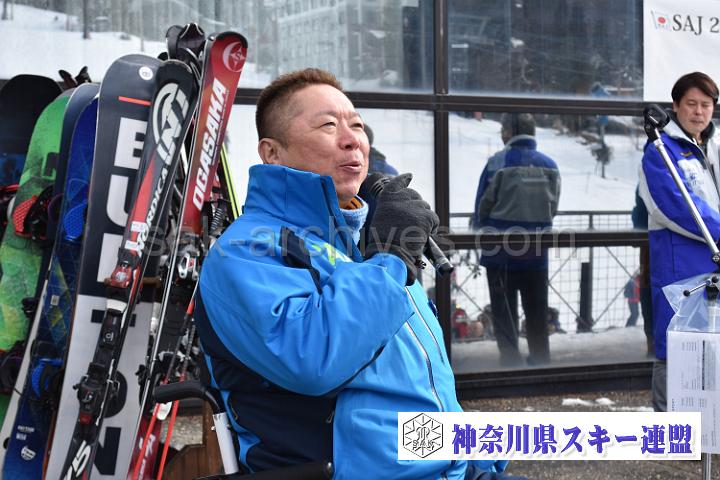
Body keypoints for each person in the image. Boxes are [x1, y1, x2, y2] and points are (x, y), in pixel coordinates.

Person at [194, 68, 514, 479]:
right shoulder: (245, 252)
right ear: (272, 152)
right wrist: (391, 255)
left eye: (357, 125)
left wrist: (476, 458)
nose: (352, 140)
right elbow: (316, 359)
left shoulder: (363, 245)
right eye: (328, 125)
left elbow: (414, 383)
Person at [638, 71, 720, 412]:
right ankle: (671, 426)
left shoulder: (713, 146)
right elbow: (674, 205)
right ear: (675, 106)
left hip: (713, 261)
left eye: (706, 105)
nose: (699, 112)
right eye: (691, 104)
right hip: (680, 265)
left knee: (712, 345)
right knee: (676, 346)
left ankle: (708, 424)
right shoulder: (661, 150)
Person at [470, 113, 561, 367]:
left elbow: (482, 207)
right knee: (537, 311)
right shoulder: (550, 165)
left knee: (504, 312)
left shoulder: (497, 163)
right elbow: (553, 206)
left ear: (508, 132)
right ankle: (540, 361)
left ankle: (510, 362)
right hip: (536, 253)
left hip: (500, 254)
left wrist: (482, 226)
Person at [631, 186, 655, 356]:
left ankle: (652, 349)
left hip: (651, 256)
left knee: (650, 300)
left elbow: (639, 222)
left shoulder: (646, 181)